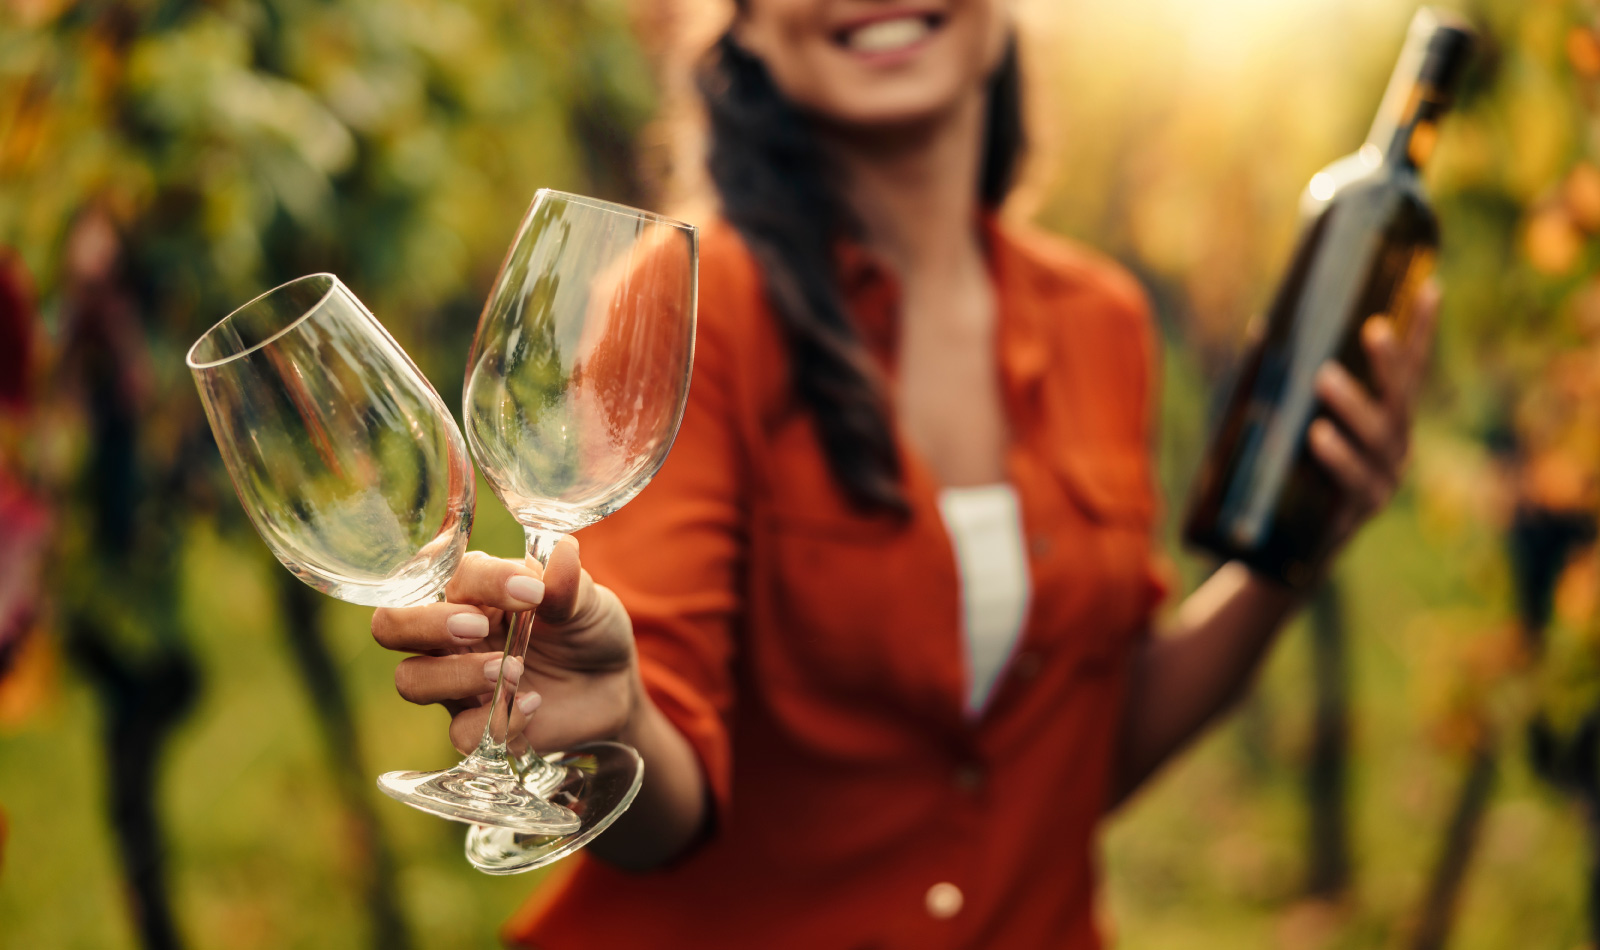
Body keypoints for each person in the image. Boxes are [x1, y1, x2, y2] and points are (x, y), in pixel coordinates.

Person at [371, 2, 1439, 946]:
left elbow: (1067, 764)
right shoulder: (700, 306)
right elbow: (668, 790)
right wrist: (614, 725)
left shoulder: (1101, 321)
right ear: (740, 19)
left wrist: (1293, 553)